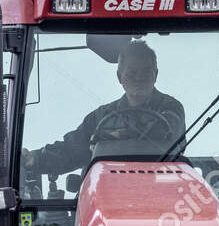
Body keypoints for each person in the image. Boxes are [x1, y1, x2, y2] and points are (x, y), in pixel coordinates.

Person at [22, 41, 186, 175]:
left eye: (146, 72)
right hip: (108, 191)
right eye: (132, 72)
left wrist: (112, 136)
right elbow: (73, 149)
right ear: (119, 76)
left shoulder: (171, 108)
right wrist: (35, 158)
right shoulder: (101, 116)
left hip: (162, 189)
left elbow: (164, 131)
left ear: (155, 74)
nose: (139, 78)